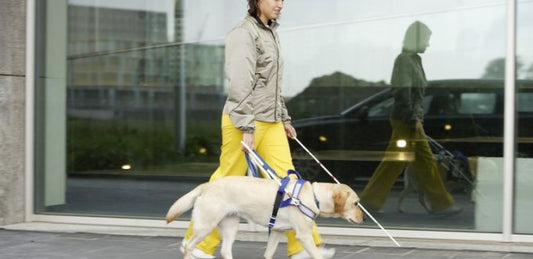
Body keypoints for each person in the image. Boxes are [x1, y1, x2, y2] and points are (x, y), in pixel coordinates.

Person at [180, 1, 335, 258]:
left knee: (291, 183)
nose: (279, 4)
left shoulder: (270, 31)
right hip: (243, 120)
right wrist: (246, 126)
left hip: (271, 121)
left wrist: (283, 117)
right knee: (226, 182)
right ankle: (197, 246)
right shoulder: (244, 33)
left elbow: (271, 84)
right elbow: (241, 83)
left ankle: (304, 248)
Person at [359, 21, 462, 217]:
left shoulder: (415, 60)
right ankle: (441, 204)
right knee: (418, 162)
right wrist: (414, 119)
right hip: (406, 121)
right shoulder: (404, 60)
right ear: (417, 39)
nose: (428, 44)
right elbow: (403, 92)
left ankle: (369, 203)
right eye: (427, 40)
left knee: (404, 162)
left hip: (411, 120)